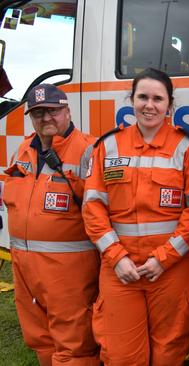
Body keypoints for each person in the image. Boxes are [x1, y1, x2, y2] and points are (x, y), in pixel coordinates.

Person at [82, 68, 189, 365]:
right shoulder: (107, 146)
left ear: (170, 104)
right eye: (142, 97)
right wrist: (117, 257)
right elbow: (92, 207)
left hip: (172, 268)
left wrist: (163, 258)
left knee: (169, 352)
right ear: (131, 100)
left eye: (158, 98)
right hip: (120, 268)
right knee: (121, 354)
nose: (149, 105)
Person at [4, 83, 99, 365]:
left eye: (53, 111)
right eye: (38, 113)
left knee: (74, 343)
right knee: (39, 338)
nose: (46, 118)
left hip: (68, 271)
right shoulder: (24, 148)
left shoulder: (89, 150)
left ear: (68, 111)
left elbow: (101, 213)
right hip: (24, 266)